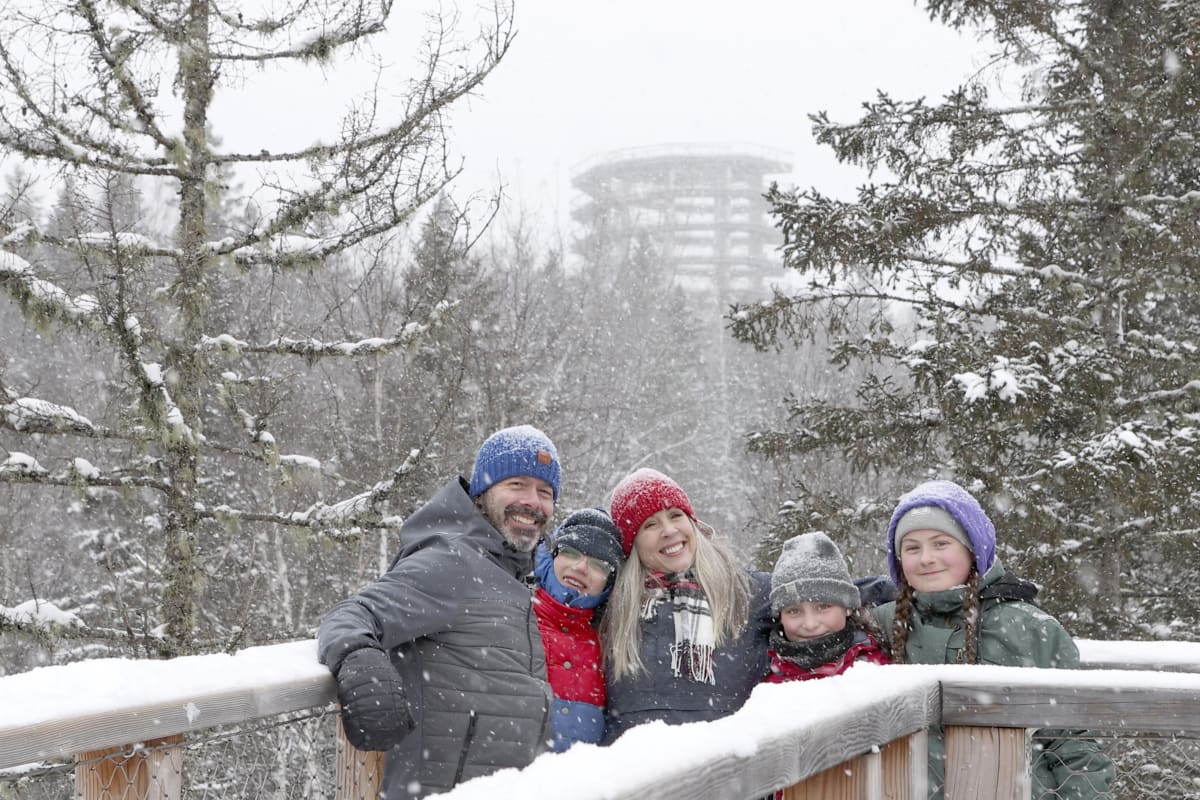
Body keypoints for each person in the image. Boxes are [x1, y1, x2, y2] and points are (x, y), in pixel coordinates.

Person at [317, 425, 559, 799]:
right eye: (517, 485)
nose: (533, 501)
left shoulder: (522, 576)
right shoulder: (453, 561)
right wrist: (360, 663)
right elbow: (352, 615)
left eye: (544, 492)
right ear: (482, 491)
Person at [871, 479, 1114, 800]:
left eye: (941, 543)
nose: (926, 558)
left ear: (973, 549)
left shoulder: (1026, 626)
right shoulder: (884, 624)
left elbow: (1072, 740)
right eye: (912, 548)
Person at [601, 468, 773, 743]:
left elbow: (831, 599)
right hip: (636, 776)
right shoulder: (610, 606)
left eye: (675, 516)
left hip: (732, 771)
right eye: (650, 525)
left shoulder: (746, 591)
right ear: (632, 544)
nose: (669, 531)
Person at [532, 507, 623, 751]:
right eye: (571, 552)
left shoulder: (612, 644)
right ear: (551, 556)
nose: (581, 567)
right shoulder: (513, 615)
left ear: (609, 581)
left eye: (598, 564)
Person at [763, 531, 889, 684]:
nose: (810, 624)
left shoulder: (880, 669)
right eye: (794, 611)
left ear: (847, 607)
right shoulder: (767, 685)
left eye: (823, 606)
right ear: (780, 617)